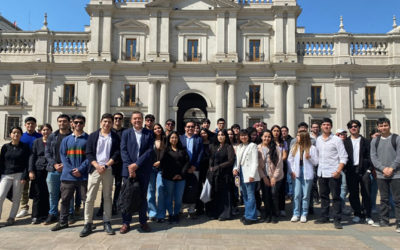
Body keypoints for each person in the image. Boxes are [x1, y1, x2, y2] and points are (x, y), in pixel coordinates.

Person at [80, 113, 121, 237]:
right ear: (100, 122)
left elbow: (116, 153)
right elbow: (89, 153)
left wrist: (107, 165)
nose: (107, 124)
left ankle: (107, 221)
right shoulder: (93, 136)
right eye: (105, 121)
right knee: (90, 197)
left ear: (112, 123)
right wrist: (97, 165)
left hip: (108, 169)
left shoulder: (114, 137)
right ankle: (88, 223)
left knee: (107, 196)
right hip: (95, 169)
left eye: (109, 122)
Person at [51, 115, 89, 231]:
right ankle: (63, 222)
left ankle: (88, 222)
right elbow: (63, 156)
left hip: (82, 176)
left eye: (81, 122)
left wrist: (81, 169)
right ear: (72, 124)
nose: (78, 125)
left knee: (86, 200)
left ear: (84, 124)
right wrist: (72, 169)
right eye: (76, 122)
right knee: (65, 200)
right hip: (68, 176)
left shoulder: (88, 139)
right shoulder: (66, 140)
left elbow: (89, 156)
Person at [120, 111, 155, 234]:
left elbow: (149, 151)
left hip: (143, 170)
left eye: (139, 118)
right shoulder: (126, 133)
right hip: (128, 170)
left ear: (143, 120)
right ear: (131, 120)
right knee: (127, 196)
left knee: (142, 197)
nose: (137, 121)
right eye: (135, 119)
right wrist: (131, 167)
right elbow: (123, 150)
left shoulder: (149, 133)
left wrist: (137, 164)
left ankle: (143, 222)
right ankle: (126, 223)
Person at [314, 117, 348, 229]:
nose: (326, 126)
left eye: (328, 124)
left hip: (334, 173)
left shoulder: (337, 140)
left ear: (331, 126)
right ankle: (324, 216)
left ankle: (337, 219)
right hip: (322, 173)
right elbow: (317, 157)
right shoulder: (318, 140)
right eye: (324, 124)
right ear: (321, 127)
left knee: (336, 197)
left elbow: (344, 157)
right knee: (323, 196)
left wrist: (338, 171)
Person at [371, 118, 400, 232]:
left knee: (398, 199)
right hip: (381, 174)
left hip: (396, 174)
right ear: (378, 127)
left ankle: (399, 222)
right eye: (381, 126)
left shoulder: (396, 138)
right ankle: (384, 220)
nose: (383, 128)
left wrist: (392, 168)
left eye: (386, 125)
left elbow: (399, 156)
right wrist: (383, 169)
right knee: (384, 199)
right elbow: (373, 157)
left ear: (389, 126)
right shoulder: (375, 141)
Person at [343, 120, 373, 225]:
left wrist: (369, 170)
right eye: (351, 127)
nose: (353, 128)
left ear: (359, 127)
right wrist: (345, 170)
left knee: (366, 193)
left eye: (355, 126)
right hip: (351, 171)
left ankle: (367, 215)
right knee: (353, 193)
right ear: (349, 129)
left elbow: (371, 156)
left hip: (364, 171)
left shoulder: (366, 141)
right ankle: (357, 213)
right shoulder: (345, 142)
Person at [44, 114, 72, 225]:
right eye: (60, 121)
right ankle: (53, 214)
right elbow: (47, 153)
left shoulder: (72, 136)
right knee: (53, 194)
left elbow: (73, 154)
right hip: (53, 169)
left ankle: (69, 214)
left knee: (68, 194)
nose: (62, 123)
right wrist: (55, 164)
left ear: (69, 123)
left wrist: (65, 165)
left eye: (64, 121)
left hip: (67, 170)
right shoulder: (52, 136)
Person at [0, 127, 30, 226]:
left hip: (19, 174)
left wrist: (25, 176)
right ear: (10, 135)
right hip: (6, 174)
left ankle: (11, 217)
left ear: (21, 135)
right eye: (14, 133)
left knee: (17, 197)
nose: (16, 134)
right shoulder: (5, 147)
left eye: (18, 133)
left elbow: (27, 163)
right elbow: (1, 162)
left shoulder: (25, 147)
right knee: (0, 196)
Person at [160, 131, 190, 223]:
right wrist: (172, 175)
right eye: (172, 137)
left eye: (176, 137)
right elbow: (163, 164)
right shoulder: (165, 150)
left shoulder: (183, 149)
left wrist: (180, 174)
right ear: (169, 139)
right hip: (169, 178)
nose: (174, 139)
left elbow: (187, 162)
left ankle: (176, 213)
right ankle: (170, 214)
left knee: (178, 198)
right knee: (168, 197)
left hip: (181, 178)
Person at [289, 131, 318, 223]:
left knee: (305, 195)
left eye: (298, 136)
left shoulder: (312, 148)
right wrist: (291, 171)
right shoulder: (294, 147)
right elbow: (290, 161)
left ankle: (304, 213)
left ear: (304, 137)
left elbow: (316, 162)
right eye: (297, 135)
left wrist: (310, 157)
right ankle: (296, 213)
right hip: (296, 172)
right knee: (297, 194)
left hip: (307, 173)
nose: (297, 137)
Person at [16, 117, 42, 219]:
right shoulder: (21, 137)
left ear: (35, 125)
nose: (30, 126)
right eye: (28, 124)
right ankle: (24, 208)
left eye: (32, 124)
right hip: (24, 166)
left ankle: (39, 207)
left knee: (38, 188)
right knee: (24, 188)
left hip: (38, 165)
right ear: (25, 125)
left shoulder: (39, 136)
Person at [207, 129, 235, 220]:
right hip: (215, 174)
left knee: (225, 194)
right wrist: (211, 167)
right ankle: (216, 213)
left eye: (222, 135)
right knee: (216, 194)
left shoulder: (228, 147)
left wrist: (218, 166)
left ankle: (225, 214)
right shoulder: (215, 146)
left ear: (225, 136)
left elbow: (230, 161)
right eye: (218, 135)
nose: (220, 136)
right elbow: (211, 158)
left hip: (224, 174)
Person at [233, 129, 259, 225]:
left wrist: (252, 175)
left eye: (245, 135)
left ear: (248, 136)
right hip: (241, 173)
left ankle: (252, 217)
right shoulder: (239, 146)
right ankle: (247, 214)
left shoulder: (253, 146)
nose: (243, 137)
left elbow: (255, 162)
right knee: (244, 194)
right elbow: (237, 160)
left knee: (250, 195)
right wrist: (235, 168)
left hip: (249, 174)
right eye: (241, 135)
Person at [257, 130, 284, 223]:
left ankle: (274, 214)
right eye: (265, 136)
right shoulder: (257, 148)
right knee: (265, 196)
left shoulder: (276, 148)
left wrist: (274, 178)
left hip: (275, 177)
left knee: (273, 195)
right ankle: (267, 214)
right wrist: (264, 177)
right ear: (261, 137)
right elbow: (257, 165)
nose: (267, 138)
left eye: (269, 136)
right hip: (264, 176)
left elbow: (280, 164)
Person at [29, 124, 52, 224]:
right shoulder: (36, 142)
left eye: (47, 130)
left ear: (51, 131)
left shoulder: (53, 142)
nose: (45, 132)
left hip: (49, 169)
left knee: (47, 192)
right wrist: (31, 170)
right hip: (38, 169)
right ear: (41, 131)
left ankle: (45, 214)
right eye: (43, 130)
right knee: (37, 193)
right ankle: (35, 215)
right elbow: (32, 156)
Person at [180, 120, 203, 219]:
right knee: (181, 188)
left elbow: (200, 153)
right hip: (182, 169)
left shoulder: (198, 139)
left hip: (194, 168)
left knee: (193, 189)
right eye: (188, 127)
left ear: (195, 128)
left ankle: (191, 209)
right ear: (185, 128)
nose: (190, 128)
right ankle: (180, 209)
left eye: (192, 127)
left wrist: (194, 166)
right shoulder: (180, 138)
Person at [148, 123, 167, 222]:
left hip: (161, 169)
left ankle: (161, 214)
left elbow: (168, 154)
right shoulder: (150, 140)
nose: (157, 130)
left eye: (159, 128)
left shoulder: (166, 140)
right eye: (155, 129)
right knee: (150, 191)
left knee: (161, 191)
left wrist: (160, 162)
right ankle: (152, 213)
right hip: (151, 168)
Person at [271, 125, 288, 217]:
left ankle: (281, 208)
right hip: (270, 168)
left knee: (281, 189)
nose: (276, 132)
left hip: (281, 167)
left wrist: (279, 162)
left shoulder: (283, 143)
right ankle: (273, 208)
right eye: (274, 130)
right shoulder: (269, 142)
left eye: (278, 131)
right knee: (272, 190)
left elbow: (285, 155)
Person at [198, 128, 211, 216]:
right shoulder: (198, 142)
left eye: (205, 133)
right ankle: (199, 208)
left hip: (209, 168)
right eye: (201, 133)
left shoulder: (212, 143)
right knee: (199, 188)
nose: (203, 135)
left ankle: (209, 208)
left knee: (208, 187)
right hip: (200, 167)